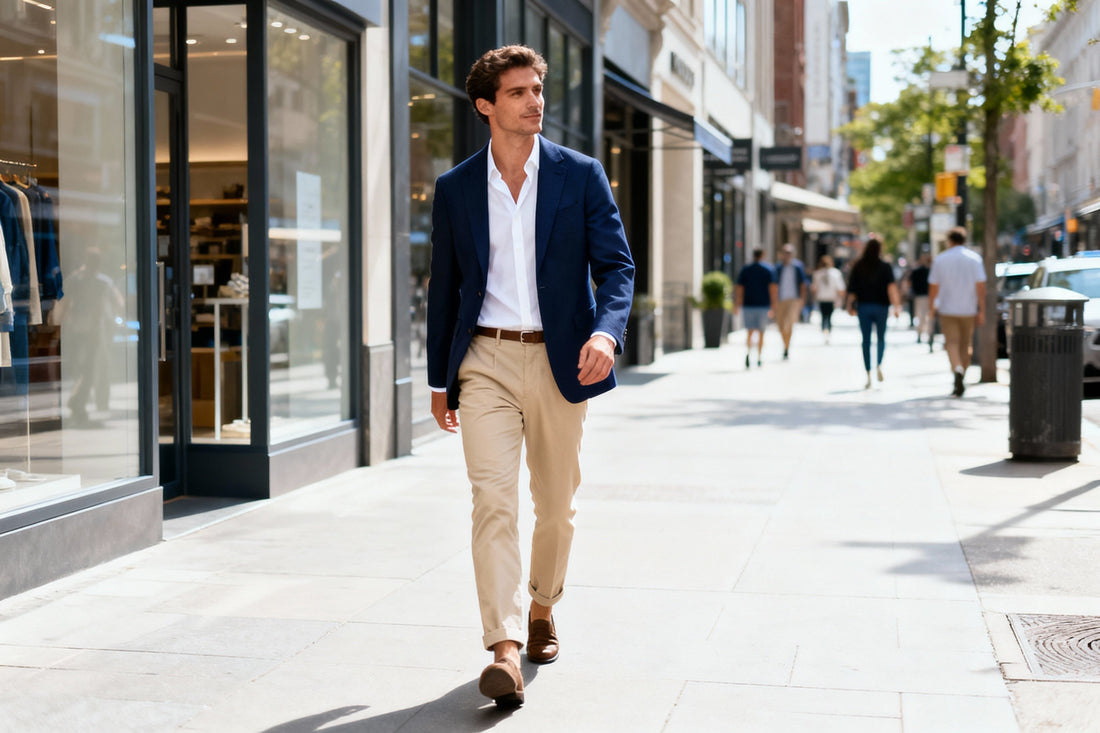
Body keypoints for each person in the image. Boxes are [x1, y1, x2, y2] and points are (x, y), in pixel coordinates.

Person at [426, 45, 634, 709]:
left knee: (556, 505)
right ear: (486, 105)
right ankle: (505, 647)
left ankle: (544, 604)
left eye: (538, 89)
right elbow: (444, 288)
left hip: (560, 359)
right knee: (493, 500)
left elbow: (617, 267)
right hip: (484, 360)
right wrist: (439, 380)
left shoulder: (581, 175)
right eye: (518, 92)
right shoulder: (457, 187)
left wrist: (606, 332)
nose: (534, 101)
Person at [928, 226, 986, 397]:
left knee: (951, 343)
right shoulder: (974, 259)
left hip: (947, 309)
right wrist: (981, 309)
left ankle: (957, 369)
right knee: (966, 344)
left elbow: (933, 287)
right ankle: (962, 372)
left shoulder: (941, 259)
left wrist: (932, 308)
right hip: (969, 308)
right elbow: (981, 287)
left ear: (949, 241)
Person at [845, 236, 902, 389]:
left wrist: (849, 306)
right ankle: (878, 364)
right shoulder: (885, 266)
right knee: (881, 338)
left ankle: (868, 373)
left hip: (864, 307)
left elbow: (852, 290)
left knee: (866, 340)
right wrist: (896, 306)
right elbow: (891, 288)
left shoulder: (858, 266)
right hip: (881, 307)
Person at [735, 247, 777, 368]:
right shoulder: (768, 269)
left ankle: (748, 353)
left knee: (749, 332)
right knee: (761, 332)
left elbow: (739, 288)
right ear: (763, 255)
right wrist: (773, 305)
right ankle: (759, 357)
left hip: (748, 305)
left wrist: (737, 304)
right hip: (763, 305)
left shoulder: (746, 269)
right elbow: (772, 288)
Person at [773, 243, 808, 359]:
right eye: (785, 253)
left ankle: (787, 347)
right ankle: (785, 344)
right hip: (780, 299)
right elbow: (773, 285)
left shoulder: (798, 267)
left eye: (789, 253)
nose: (787, 255)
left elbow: (803, 284)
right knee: (780, 325)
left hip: (793, 299)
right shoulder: (778, 267)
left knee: (789, 324)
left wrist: (802, 299)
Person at [811, 254, 845, 344]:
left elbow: (814, 288)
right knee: (829, 316)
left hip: (822, 298)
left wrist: (814, 297)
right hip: (831, 298)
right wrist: (841, 299)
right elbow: (841, 288)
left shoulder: (817, 273)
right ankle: (827, 331)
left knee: (823, 315)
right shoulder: (835, 273)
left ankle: (824, 330)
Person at [908, 251, 932, 347]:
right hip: (920, 297)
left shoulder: (930, 271)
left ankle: (926, 335)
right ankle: (921, 334)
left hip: (927, 297)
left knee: (925, 317)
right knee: (922, 317)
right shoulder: (919, 271)